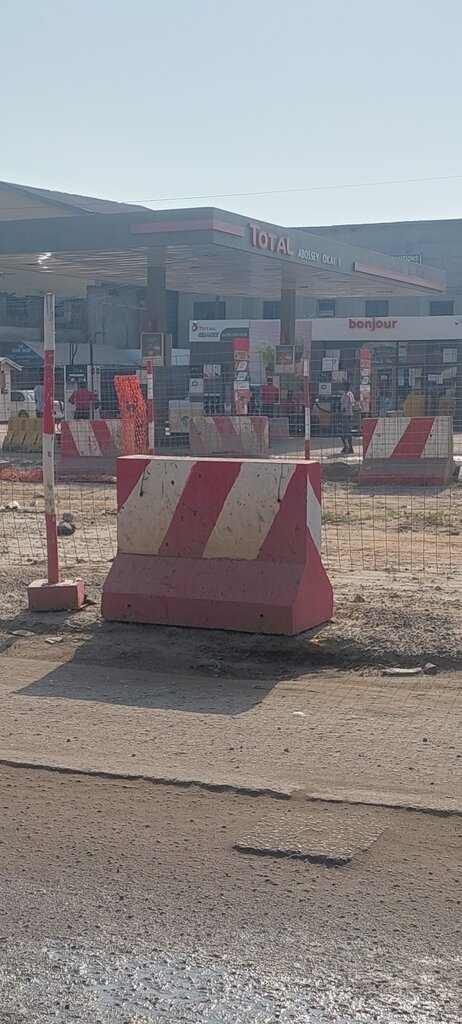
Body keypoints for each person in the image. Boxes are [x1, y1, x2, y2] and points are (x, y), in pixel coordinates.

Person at [339, 380, 355, 455]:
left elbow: (346, 405)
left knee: (345, 431)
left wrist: (342, 412)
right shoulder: (350, 394)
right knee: (345, 431)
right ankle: (346, 446)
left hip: (345, 415)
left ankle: (349, 447)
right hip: (349, 414)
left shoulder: (346, 395)